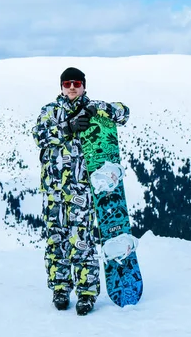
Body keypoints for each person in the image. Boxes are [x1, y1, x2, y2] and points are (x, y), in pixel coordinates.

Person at [32, 67, 130, 315]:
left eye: (76, 83)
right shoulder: (50, 112)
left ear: (84, 85)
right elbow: (39, 135)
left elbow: (124, 113)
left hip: (82, 189)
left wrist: (99, 110)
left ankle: (86, 293)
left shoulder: (94, 108)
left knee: (82, 240)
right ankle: (60, 288)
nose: (72, 87)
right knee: (57, 240)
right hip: (54, 190)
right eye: (67, 83)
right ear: (61, 87)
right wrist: (68, 127)